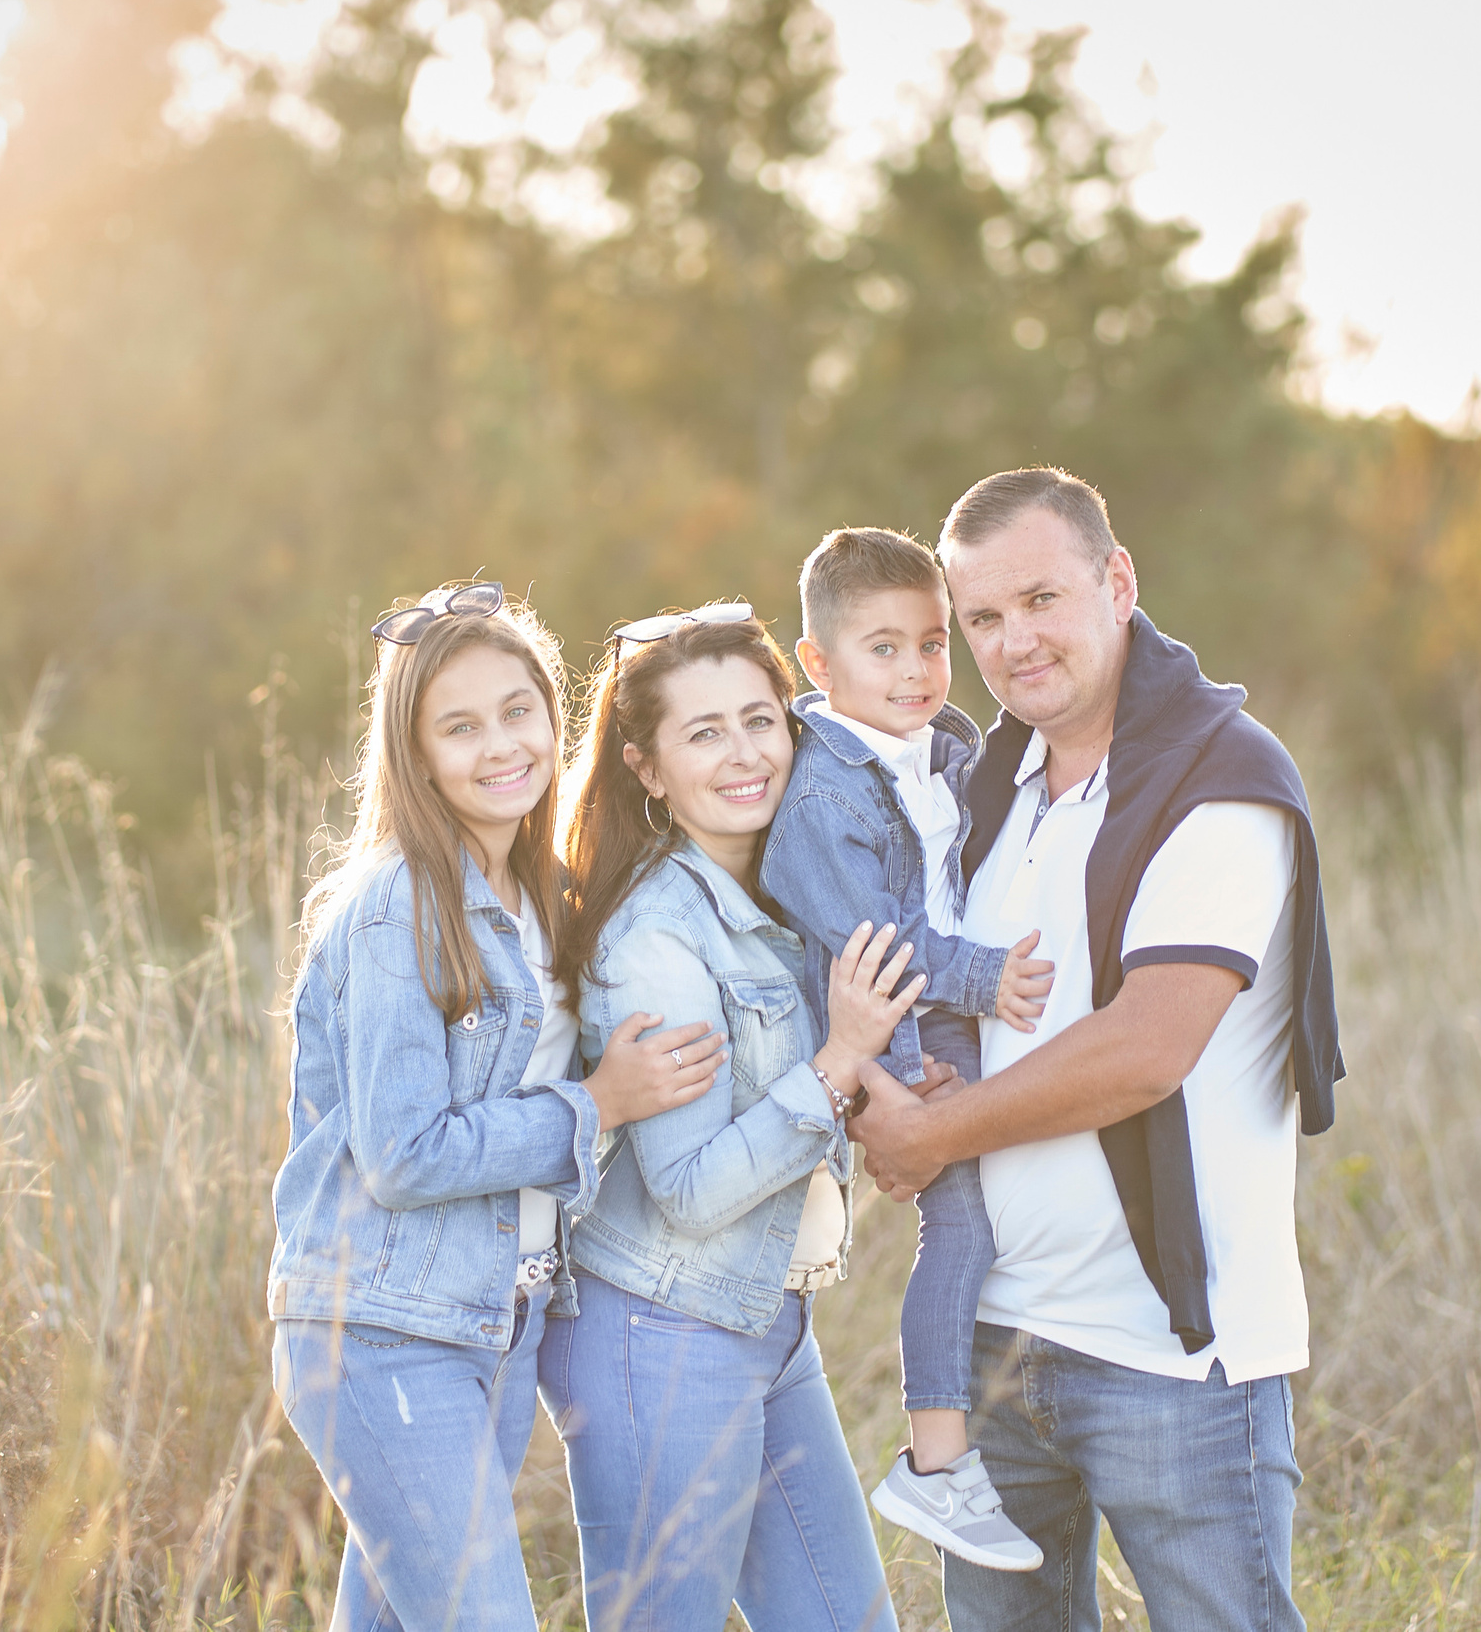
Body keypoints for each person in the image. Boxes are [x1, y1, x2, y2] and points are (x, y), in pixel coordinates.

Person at [851, 471, 1346, 1632]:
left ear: (1116, 583)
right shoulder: (983, 790)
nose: (1014, 642)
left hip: (1170, 1360)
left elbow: (1144, 1048)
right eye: (982, 619)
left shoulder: (1221, 780)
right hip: (997, 1341)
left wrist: (930, 1134)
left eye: (1040, 599)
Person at [265, 581, 727, 1632]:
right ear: (416, 754)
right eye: (459, 727)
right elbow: (403, 1154)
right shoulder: (398, 909)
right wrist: (595, 1105)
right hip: (381, 1333)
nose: (501, 746)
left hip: (496, 1325)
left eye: (519, 710)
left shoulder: (538, 897)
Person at [541, 603, 916, 1632]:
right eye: (704, 733)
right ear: (646, 769)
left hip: (761, 1319)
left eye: (761, 720)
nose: (746, 754)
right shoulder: (656, 935)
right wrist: (840, 1057)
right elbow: (694, 1187)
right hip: (656, 1333)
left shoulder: (791, 892)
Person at [758, 527, 1054, 1570]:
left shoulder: (949, 748)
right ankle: (935, 1462)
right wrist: (983, 979)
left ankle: (989, 1435)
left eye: (931, 644)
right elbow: (872, 941)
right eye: (882, 649)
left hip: (949, 1025)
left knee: (1002, 1218)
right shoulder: (824, 793)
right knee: (961, 1226)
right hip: (895, 1033)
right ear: (818, 663)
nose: (917, 671)